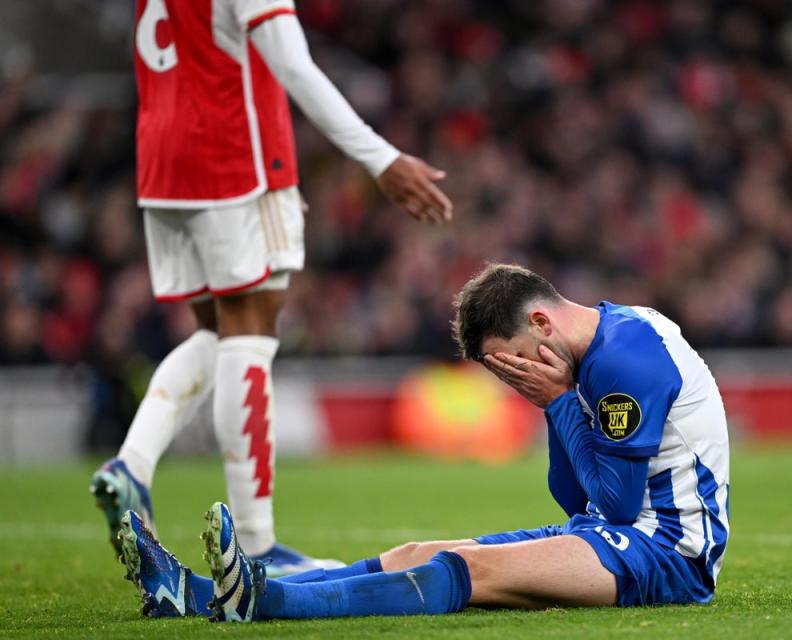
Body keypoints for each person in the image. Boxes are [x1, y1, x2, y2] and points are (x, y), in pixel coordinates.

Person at [115, 263, 730, 620]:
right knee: (413, 551)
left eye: (508, 362)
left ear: (541, 322)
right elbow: (577, 501)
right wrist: (557, 406)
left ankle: (262, 601)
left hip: (670, 553)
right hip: (611, 532)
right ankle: (196, 594)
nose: (513, 377)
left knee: (465, 568)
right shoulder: (586, 352)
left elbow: (619, 507)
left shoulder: (624, 362)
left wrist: (559, 403)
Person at [90, 0, 453, 580]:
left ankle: (131, 466)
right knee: (251, 333)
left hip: (164, 163)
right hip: (231, 158)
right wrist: (380, 159)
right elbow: (292, 63)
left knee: (218, 331)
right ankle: (257, 548)